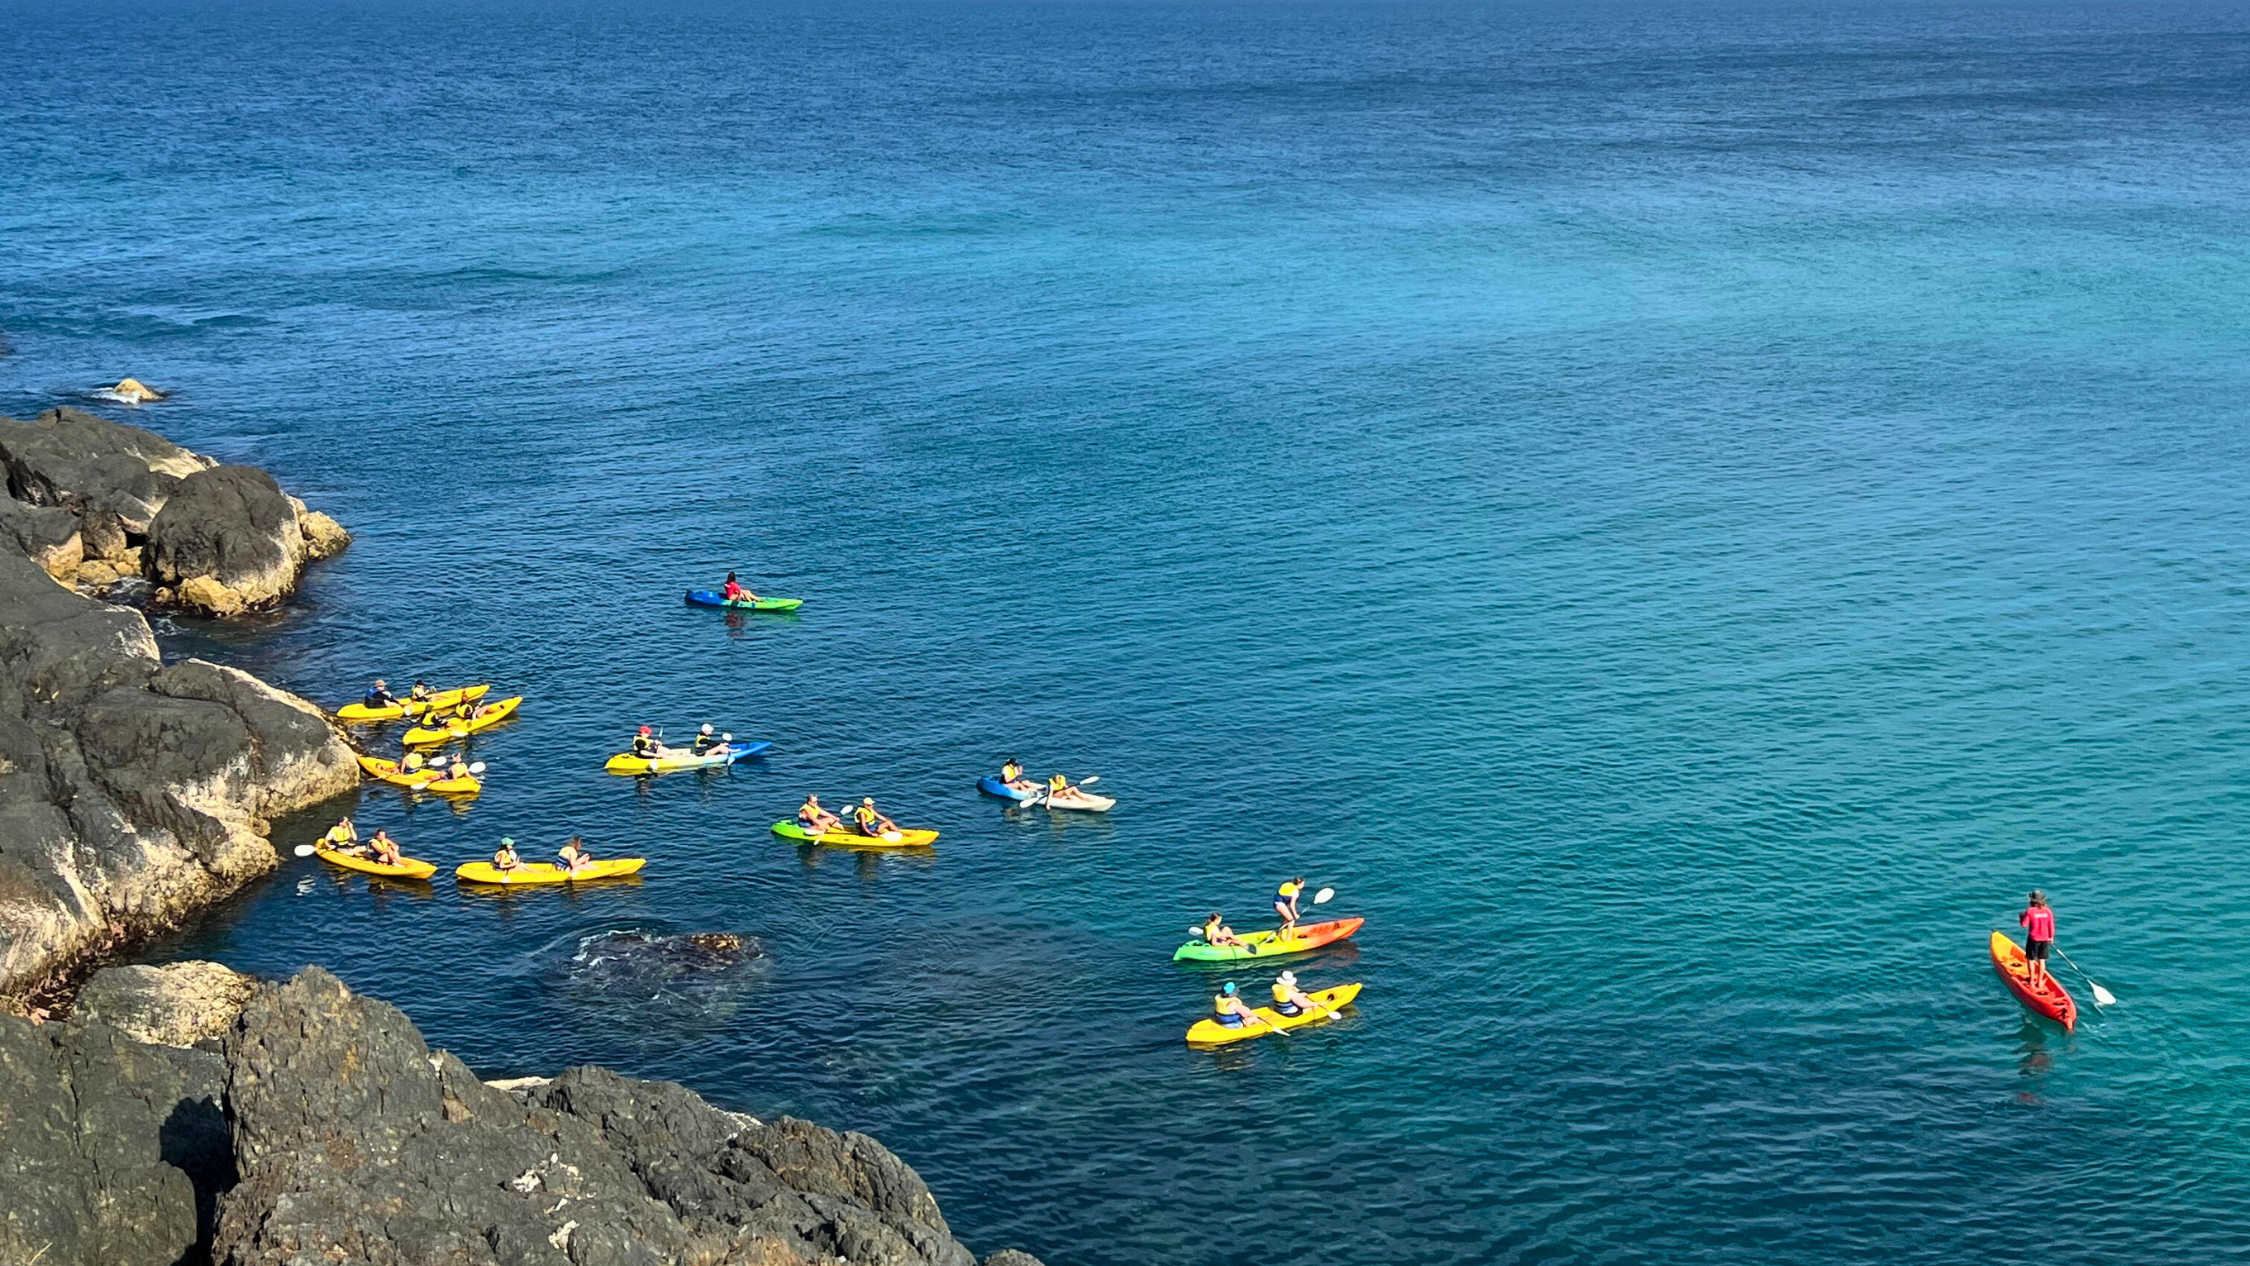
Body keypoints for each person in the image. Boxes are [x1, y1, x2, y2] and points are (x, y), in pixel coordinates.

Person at [2020, 890, 2057, 990]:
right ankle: (2040, 982)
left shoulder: (2030, 911)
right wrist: (2051, 937)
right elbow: (2051, 926)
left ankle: (2032, 981)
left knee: (2031, 960)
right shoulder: (2048, 911)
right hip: (2045, 939)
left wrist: (2021, 916)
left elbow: (2024, 925)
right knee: (2042, 960)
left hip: (2033, 939)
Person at [1270, 970, 1337, 1020]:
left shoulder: (1275, 987)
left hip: (1278, 1009)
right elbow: (1302, 1005)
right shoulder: (1291, 992)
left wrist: (1301, 994)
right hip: (1289, 1013)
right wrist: (1318, 1003)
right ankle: (1307, 1011)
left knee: (1298, 998)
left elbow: (1292, 992)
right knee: (1306, 1007)